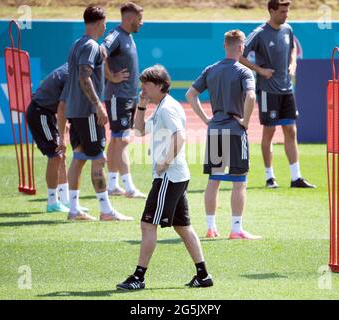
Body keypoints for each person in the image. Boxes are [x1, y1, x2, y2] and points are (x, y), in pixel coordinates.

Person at [116, 65, 213, 290]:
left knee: (148, 224)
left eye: (146, 85)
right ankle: (203, 275)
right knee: (183, 227)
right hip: (176, 176)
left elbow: (181, 136)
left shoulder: (167, 108)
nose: (143, 88)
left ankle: (138, 277)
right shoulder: (161, 106)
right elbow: (139, 131)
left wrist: (164, 162)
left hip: (169, 176)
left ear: (160, 85)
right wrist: (141, 105)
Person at [186, 30, 262, 240]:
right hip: (235, 130)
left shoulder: (211, 69)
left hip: (215, 129)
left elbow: (190, 94)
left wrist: (205, 119)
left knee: (214, 180)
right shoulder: (244, 72)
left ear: (224, 46)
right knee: (239, 181)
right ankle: (236, 229)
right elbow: (250, 95)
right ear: (241, 47)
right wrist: (245, 122)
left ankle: (211, 228)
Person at [63, 5, 133, 221]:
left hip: (74, 110)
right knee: (98, 158)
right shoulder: (91, 45)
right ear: (98, 22)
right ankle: (106, 210)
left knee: (79, 158)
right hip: (87, 112)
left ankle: (73, 209)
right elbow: (85, 77)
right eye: (104, 23)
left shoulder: (77, 44)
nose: (106, 27)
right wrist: (97, 105)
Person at [239, 0, 316, 189]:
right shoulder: (259, 33)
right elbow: (240, 55)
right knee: (270, 132)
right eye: (282, 12)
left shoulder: (288, 29)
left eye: (287, 11)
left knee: (291, 131)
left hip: (287, 89)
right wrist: (260, 70)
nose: (286, 15)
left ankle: (296, 177)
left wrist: (293, 64)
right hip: (268, 91)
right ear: (272, 11)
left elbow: (292, 49)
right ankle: (269, 177)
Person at [26, 63, 88, 214]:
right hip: (41, 113)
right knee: (56, 156)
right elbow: (62, 107)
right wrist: (61, 136)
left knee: (61, 156)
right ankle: (52, 202)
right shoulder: (72, 75)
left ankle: (65, 200)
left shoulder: (74, 68)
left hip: (47, 112)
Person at [102, 2, 146, 198]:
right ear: (129, 19)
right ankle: (129, 187)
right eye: (139, 19)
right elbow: (100, 52)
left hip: (127, 96)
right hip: (117, 97)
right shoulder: (116, 36)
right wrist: (111, 76)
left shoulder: (127, 37)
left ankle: (112, 184)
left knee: (117, 140)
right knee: (122, 140)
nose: (142, 23)